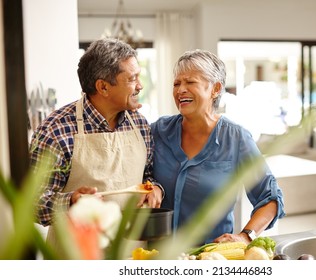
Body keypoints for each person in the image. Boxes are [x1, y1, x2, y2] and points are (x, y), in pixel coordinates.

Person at [29, 38, 164, 242]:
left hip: (131, 252)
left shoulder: (139, 124)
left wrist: (154, 188)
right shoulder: (56, 130)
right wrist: (71, 202)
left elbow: (147, 176)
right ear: (103, 87)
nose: (140, 86)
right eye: (132, 79)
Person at [151, 49, 285, 245]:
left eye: (190, 82)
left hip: (211, 258)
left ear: (215, 89)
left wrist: (246, 236)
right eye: (176, 83)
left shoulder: (236, 138)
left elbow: (270, 198)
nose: (180, 90)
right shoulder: (158, 131)